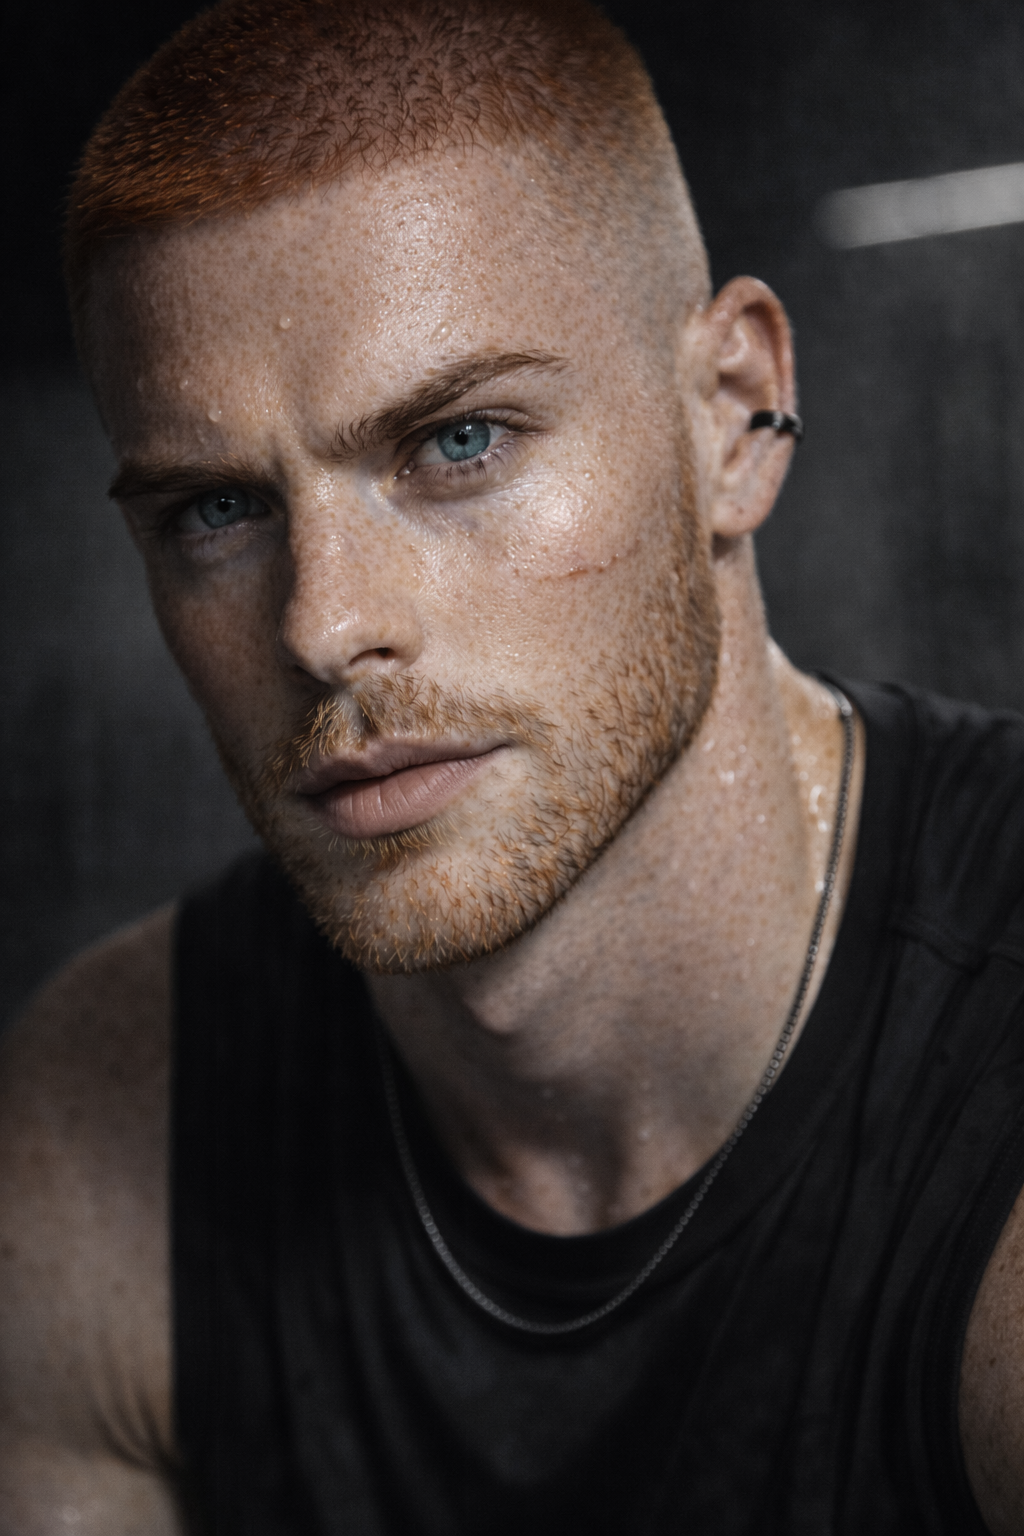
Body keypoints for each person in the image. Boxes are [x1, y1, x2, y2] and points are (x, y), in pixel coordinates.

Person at [3, 0, 1024, 1530]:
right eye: (216, 511)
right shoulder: (110, 1120)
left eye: (459, 442)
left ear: (735, 420)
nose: (324, 622)